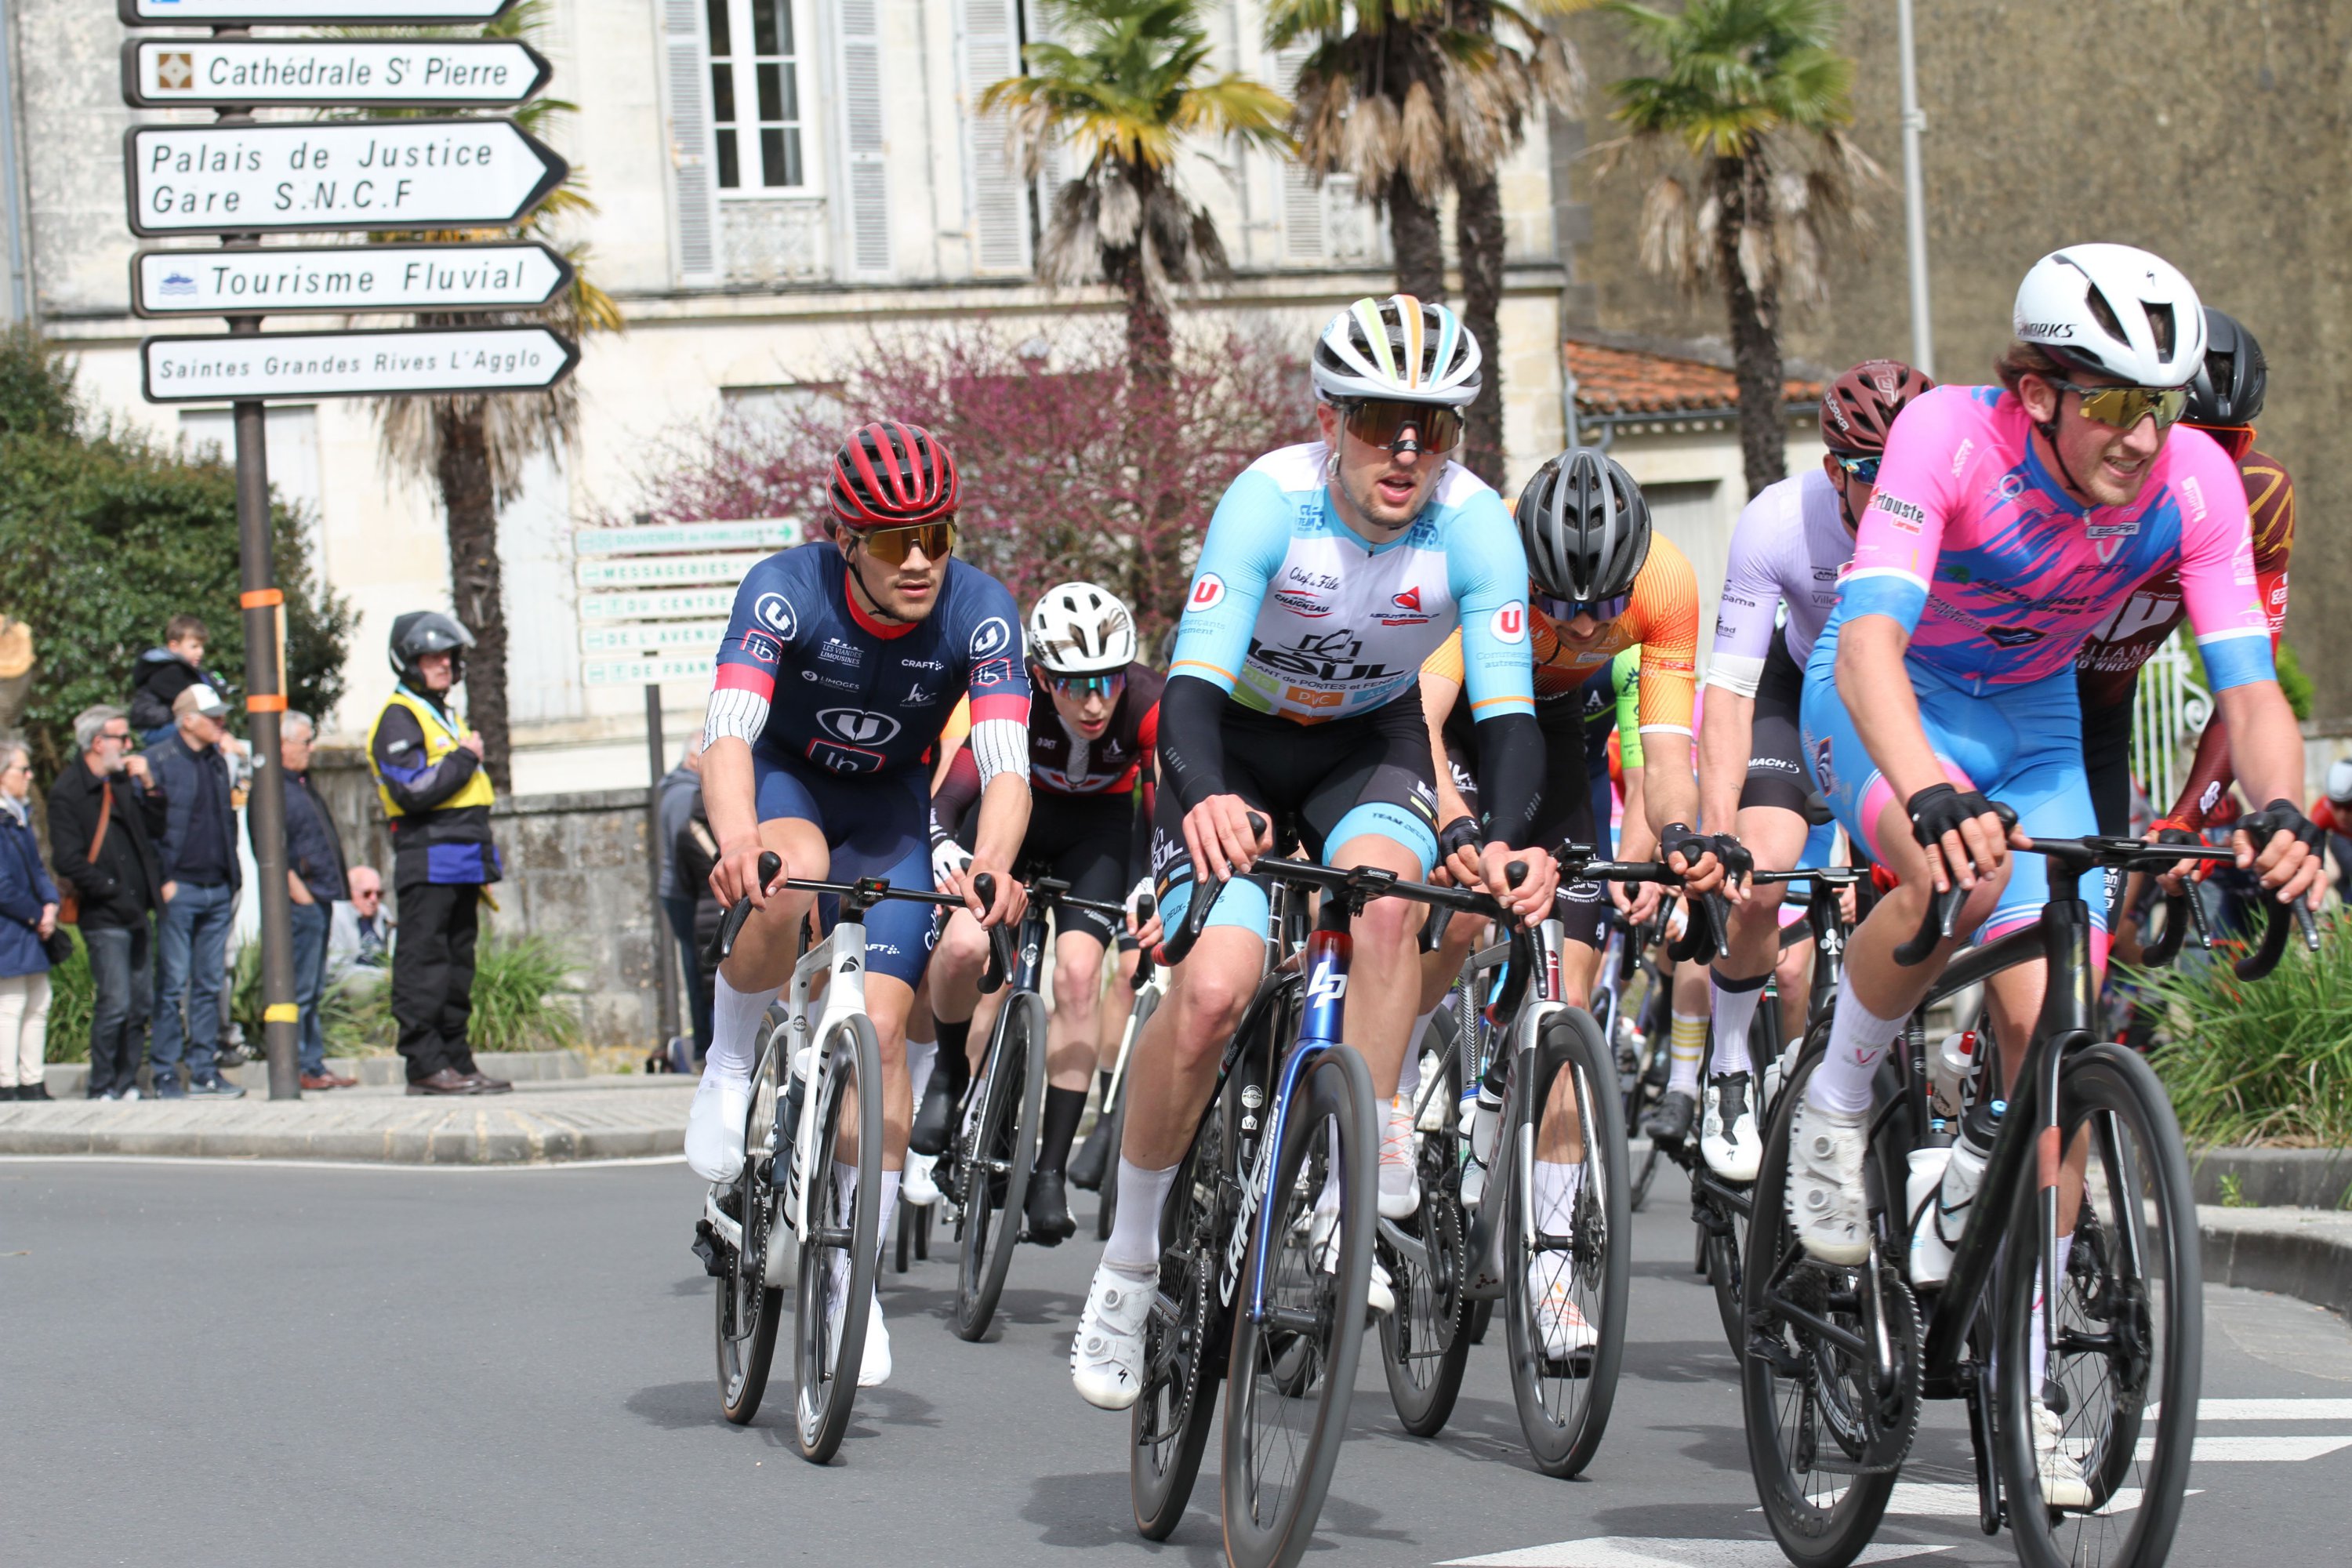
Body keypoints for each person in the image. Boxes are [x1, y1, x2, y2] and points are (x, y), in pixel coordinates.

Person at [1789, 244, 2322, 1508]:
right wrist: (1924, 788)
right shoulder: (1948, 440)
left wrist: (2280, 810)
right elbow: (1866, 645)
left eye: (2163, 403)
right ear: (2038, 392)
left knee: (2055, 1030)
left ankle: (2023, 1369)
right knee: (1951, 879)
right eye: (2117, 402)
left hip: (2034, 731)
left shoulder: (2193, 481)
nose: (2145, 435)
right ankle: (1837, 1098)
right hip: (1890, 699)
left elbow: (2249, 688)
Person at [1070, 296, 1563, 1410]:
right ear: (1331, 419)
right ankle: (1129, 1264)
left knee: (1389, 902)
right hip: (1233, 743)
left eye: (1434, 427)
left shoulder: (1477, 527)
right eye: (1382, 420)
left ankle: (1351, 1192)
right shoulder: (1269, 500)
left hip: (1366, 744)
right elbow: (1188, 691)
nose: (1407, 450)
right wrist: (1201, 796)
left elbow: (1508, 717)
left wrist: (1506, 843)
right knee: (1212, 995)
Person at [684, 420, 1033, 1388]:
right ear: (847, 539)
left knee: (880, 1035)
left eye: (937, 535)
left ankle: (852, 1277)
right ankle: (727, 1062)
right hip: (787, 781)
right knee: (787, 870)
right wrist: (737, 837)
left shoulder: (981, 609)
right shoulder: (784, 587)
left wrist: (993, 865)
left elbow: (1006, 763)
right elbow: (729, 728)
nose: (919, 559)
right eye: (892, 540)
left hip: (888, 810)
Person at [1697, 360, 1936, 1180]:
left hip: (1904, 694)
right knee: (1761, 878)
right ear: (1835, 470)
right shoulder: (1778, 522)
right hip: (1795, 690)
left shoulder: (1954, 510)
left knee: (1939, 874)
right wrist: (1719, 832)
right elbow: (1731, 691)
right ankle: (1730, 1062)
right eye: (1874, 476)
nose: (1898, 496)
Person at [923, 582, 1163, 1245]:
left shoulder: (1147, 701)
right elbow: (954, 795)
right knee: (967, 948)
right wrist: (942, 841)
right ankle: (949, 1074)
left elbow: (1161, 811)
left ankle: (1050, 1171)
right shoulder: (1015, 697)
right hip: (1016, 817)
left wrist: (1157, 880)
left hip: (1097, 833)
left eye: (1108, 681)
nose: (1095, 703)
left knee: (1079, 975)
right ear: (1041, 677)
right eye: (1075, 686)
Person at [2077, 307, 2295, 848]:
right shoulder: (2082, 478)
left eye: (2228, 446)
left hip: (2103, 717)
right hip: (1996, 700)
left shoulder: (2258, 498)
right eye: (2190, 441)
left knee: (2095, 897)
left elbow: (2247, 689)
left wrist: (2187, 818)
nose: (2209, 467)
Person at [368, 612, 512, 1097]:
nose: (444, 665)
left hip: (463, 859)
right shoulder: (399, 716)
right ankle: (425, 1065)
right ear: (409, 662)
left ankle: (456, 1060)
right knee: (424, 965)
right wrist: (466, 756)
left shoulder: (440, 713)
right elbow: (412, 789)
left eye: (449, 656)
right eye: (432, 658)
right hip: (429, 857)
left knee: (457, 967)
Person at [48, 706, 169, 1101]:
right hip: (104, 913)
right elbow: (68, 860)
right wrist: (111, 891)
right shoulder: (69, 791)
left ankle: (127, 1081)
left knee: (140, 1004)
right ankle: (102, 1084)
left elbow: (154, 830)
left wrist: (150, 786)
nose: (130, 745)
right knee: (115, 1002)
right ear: (99, 743)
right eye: (123, 737)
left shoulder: (122, 782)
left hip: (138, 910)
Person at [147, 683, 245, 1098]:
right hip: (180, 888)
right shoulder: (160, 760)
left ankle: (204, 1069)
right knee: (173, 984)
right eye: (213, 716)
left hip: (217, 886)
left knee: (209, 984)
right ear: (187, 720)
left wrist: (232, 878)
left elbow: (226, 821)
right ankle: (165, 1071)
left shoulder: (216, 761)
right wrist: (163, 881)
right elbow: (150, 829)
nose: (221, 722)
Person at [264, 711, 357, 1091]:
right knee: (300, 987)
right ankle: (300, 1065)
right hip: (302, 900)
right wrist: (296, 889)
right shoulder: (271, 788)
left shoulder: (302, 784)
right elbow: (268, 846)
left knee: (315, 985)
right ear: (282, 744)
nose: (311, 748)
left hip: (320, 896)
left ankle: (313, 1064)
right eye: (305, 742)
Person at [0, 739, 59, 1100]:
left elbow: (38, 870)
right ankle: (6, 1082)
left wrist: (50, 904)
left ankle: (31, 1079)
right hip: (9, 927)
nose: (29, 776)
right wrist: (37, 914)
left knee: (39, 999)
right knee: (10, 1004)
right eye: (22, 769)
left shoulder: (18, 816)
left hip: (30, 925)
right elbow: (2, 885)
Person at [655, 733, 710, 1065]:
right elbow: (688, 849)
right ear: (694, 757)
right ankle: (704, 1048)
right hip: (687, 894)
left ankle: (704, 1047)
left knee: (700, 970)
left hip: (687, 892)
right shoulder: (684, 794)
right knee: (700, 972)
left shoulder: (679, 788)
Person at [129, 614, 236, 745]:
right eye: (194, 647)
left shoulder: (187, 670)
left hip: (170, 723)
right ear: (174, 646)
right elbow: (192, 705)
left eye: (202, 647)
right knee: (203, 731)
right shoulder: (167, 671)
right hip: (157, 727)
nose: (200, 652)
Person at [327, 865, 394, 983]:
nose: (373, 899)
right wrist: (382, 975)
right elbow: (337, 969)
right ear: (350, 892)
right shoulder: (337, 916)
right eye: (367, 893)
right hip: (351, 982)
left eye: (379, 894)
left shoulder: (382, 914)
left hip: (384, 978)